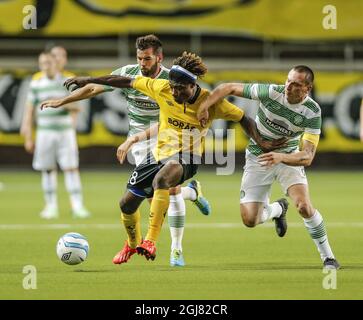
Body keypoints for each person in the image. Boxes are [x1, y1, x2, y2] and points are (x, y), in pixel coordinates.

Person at [40, 51, 285, 263]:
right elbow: (122, 81)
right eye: (174, 87)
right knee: (126, 203)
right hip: (159, 153)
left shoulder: (210, 101)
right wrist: (89, 79)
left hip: (188, 156)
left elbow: (243, 117)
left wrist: (262, 142)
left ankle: (151, 241)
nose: (176, 92)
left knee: (163, 181)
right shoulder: (162, 87)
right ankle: (132, 244)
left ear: (193, 85)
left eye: (181, 88)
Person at [45, 35, 211, 267]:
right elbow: (94, 87)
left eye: (147, 59)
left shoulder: (171, 81)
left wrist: (135, 138)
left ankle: (176, 249)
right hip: (140, 144)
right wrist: (62, 101)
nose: (142, 63)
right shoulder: (129, 72)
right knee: (153, 194)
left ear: (159, 58)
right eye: (139, 58)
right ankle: (191, 194)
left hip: (167, 139)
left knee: (168, 191)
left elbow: (171, 118)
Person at [197, 65, 340, 269]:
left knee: (304, 207)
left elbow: (307, 156)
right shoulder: (272, 92)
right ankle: (277, 209)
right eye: (288, 81)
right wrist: (204, 106)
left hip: (288, 158)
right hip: (258, 157)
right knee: (250, 220)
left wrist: (281, 157)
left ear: (308, 88)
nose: (288, 86)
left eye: (296, 84)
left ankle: (328, 258)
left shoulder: (312, 111)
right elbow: (228, 87)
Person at [20, 51, 91, 219]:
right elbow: (29, 111)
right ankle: (50, 206)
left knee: (71, 168)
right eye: (42, 63)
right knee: (47, 169)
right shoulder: (36, 84)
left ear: (55, 63)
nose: (46, 66)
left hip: (65, 132)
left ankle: (78, 206)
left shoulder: (65, 82)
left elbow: (78, 107)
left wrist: (60, 103)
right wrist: (28, 136)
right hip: (44, 133)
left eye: (49, 62)